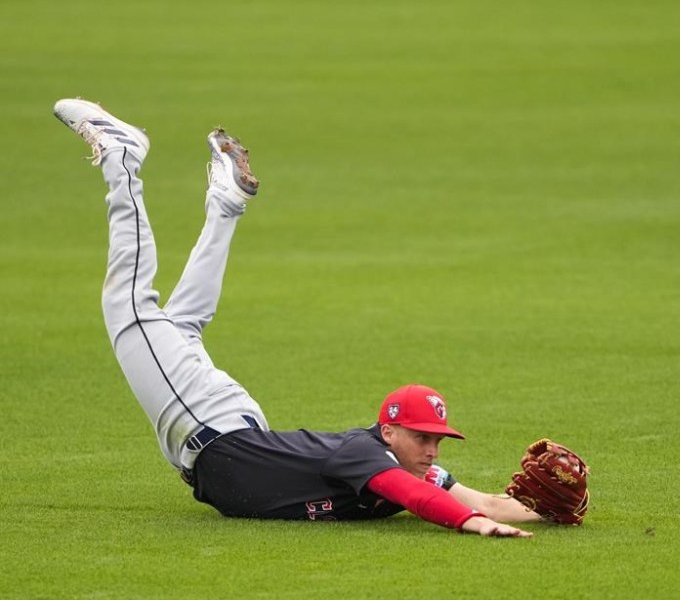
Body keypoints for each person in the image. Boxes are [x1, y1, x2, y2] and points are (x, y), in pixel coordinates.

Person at [53, 98, 539, 538]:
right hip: (208, 424)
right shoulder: (366, 455)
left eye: (436, 440)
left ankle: (225, 205)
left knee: (178, 328)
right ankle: (123, 160)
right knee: (133, 309)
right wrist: (469, 522)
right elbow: (421, 500)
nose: (432, 451)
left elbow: (485, 501)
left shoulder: (411, 469)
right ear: (388, 431)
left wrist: (550, 512)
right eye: (422, 438)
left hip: (225, 428)